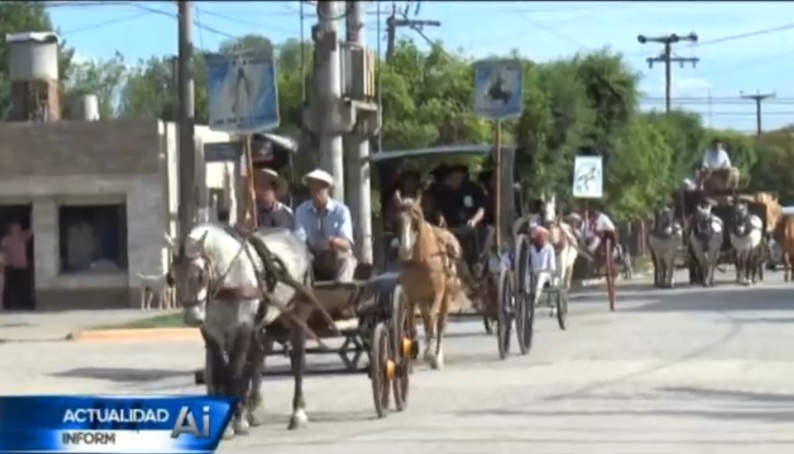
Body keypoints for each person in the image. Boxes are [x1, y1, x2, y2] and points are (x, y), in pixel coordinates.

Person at [293, 169, 357, 282]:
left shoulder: (341, 211)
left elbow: (347, 244)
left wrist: (334, 241)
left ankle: (342, 290)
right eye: (312, 188)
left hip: (334, 256)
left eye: (319, 188)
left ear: (328, 189)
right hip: (312, 257)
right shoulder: (301, 210)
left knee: (346, 261)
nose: (315, 192)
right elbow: (299, 238)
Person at [1, 223, 33, 309]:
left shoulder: (22, 237)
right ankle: (11, 305)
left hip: (22, 267)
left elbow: (31, 232)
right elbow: (2, 251)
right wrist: (5, 261)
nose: (17, 230)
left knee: (22, 287)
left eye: (18, 229)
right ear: (10, 230)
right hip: (12, 267)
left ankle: (23, 304)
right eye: (14, 229)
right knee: (12, 288)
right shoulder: (6, 240)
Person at [529, 225, 557, 305]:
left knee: (541, 277)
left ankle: (535, 299)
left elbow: (552, 268)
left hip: (546, 274)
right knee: (526, 279)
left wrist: (542, 270)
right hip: (533, 273)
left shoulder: (549, 248)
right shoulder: (531, 249)